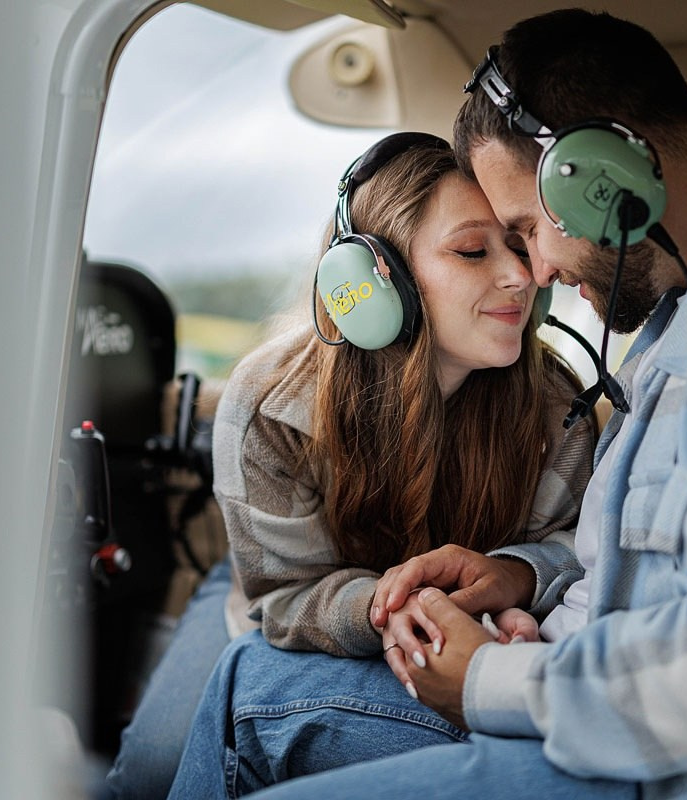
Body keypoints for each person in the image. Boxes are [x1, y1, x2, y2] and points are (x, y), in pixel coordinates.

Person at [168, 9, 687, 800]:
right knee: (247, 676)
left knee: (241, 701)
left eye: (528, 229)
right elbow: (629, 570)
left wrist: (487, 677)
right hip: (582, 692)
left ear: (604, 172)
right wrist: (515, 583)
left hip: (641, 761)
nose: (532, 273)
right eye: (487, 245)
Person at [109, 132, 596, 799]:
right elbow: (282, 595)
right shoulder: (270, 406)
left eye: (519, 245)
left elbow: (579, 549)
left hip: (457, 640)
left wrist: (518, 579)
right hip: (291, 586)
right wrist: (382, 607)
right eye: (472, 251)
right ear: (369, 283)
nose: (521, 275)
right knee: (151, 771)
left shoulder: (557, 408)